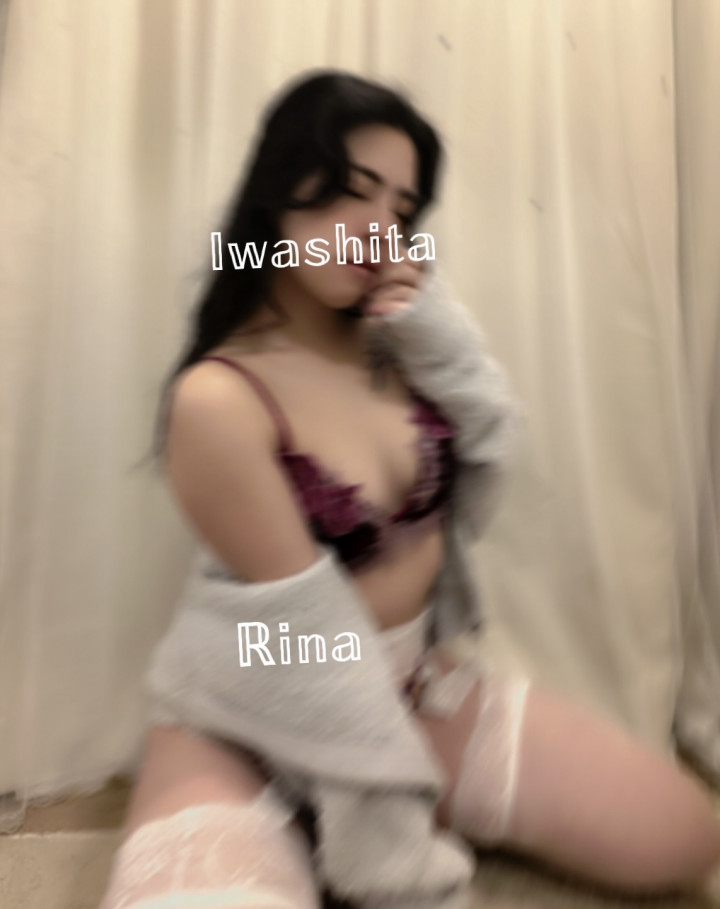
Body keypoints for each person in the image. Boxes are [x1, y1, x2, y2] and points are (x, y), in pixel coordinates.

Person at [99, 69, 720, 909]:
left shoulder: (396, 351)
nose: (378, 228)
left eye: (400, 208)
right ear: (280, 190)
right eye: (354, 190)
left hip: (409, 687)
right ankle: (288, 829)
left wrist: (431, 327)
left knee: (683, 835)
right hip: (249, 710)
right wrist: (406, 869)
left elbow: (493, 448)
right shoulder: (218, 397)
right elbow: (309, 648)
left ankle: (335, 828)